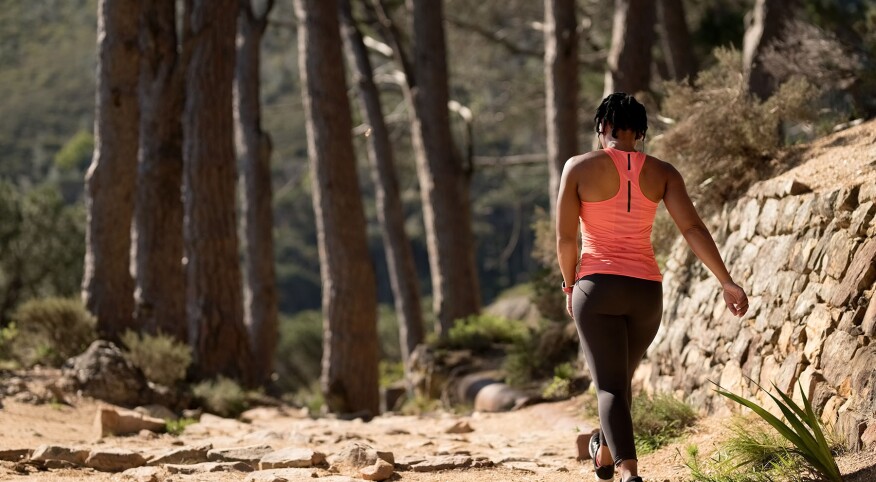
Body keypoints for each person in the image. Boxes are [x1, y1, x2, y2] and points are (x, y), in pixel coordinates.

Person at [555, 92, 748, 482]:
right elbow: (692, 228)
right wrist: (726, 281)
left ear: (602, 127)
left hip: (597, 287)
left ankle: (629, 472)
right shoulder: (663, 172)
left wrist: (569, 285)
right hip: (646, 293)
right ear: (641, 132)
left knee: (609, 386)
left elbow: (565, 240)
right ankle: (605, 454)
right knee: (619, 381)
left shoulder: (578, 167)